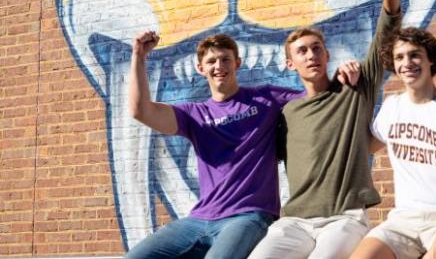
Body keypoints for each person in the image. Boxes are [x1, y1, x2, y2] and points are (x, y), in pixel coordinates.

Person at [124, 32, 359, 258]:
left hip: (249, 216)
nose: (219, 66)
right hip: (198, 219)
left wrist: (341, 76)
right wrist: (138, 56)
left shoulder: (265, 99)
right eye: (212, 61)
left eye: (226, 59)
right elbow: (140, 110)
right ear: (201, 68)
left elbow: (314, 98)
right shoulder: (194, 115)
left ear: (237, 63)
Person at [249, 0, 411, 259]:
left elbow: (383, 43)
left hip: (344, 218)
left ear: (326, 54)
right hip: (295, 221)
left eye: (316, 49)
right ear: (290, 63)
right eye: (302, 51)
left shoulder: (353, 89)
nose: (311, 55)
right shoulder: (287, 113)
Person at [350, 27, 436, 259]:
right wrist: (351, 89)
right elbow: (363, 148)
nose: (407, 62)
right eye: (399, 57)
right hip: (404, 221)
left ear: (430, 59)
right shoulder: (392, 107)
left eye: (415, 54)